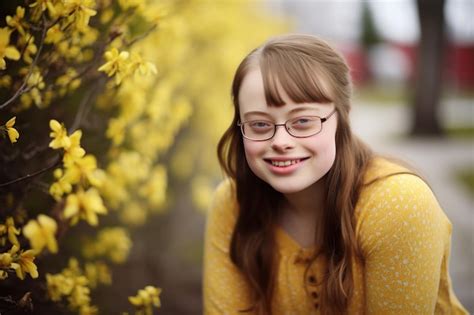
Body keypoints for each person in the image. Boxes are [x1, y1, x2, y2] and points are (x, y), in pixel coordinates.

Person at [203, 34, 468, 315]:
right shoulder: (234, 204)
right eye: (259, 124)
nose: (280, 141)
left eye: (303, 121)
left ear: (344, 117)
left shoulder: (398, 205)